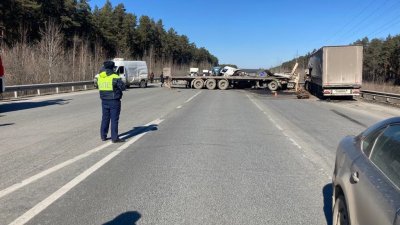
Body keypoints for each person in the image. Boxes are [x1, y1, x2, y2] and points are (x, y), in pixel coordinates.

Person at [98, 60, 126, 143]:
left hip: (104, 100)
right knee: (114, 119)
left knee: (105, 118)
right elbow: (123, 87)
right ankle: (114, 138)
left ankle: (103, 136)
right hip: (114, 100)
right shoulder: (115, 77)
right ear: (112, 67)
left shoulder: (100, 77)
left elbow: (97, 86)